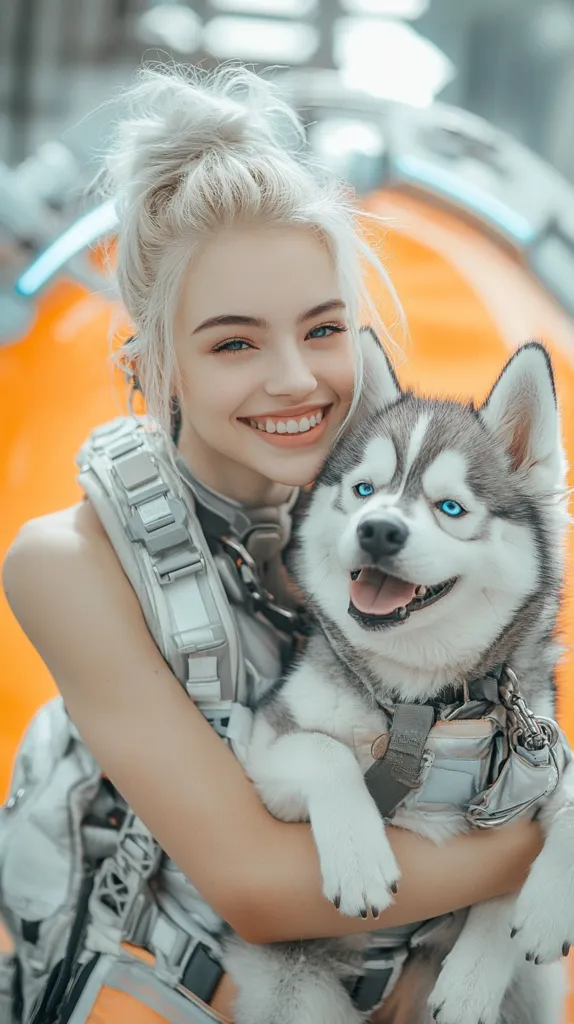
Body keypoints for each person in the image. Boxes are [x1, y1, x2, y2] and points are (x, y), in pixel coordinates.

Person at [1, 64, 543, 1024]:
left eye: (322, 330)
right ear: (152, 362)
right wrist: (541, 845)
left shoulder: (389, 520)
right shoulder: (65, 564)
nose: (295, 380)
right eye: (234, 343)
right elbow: (258, 887)